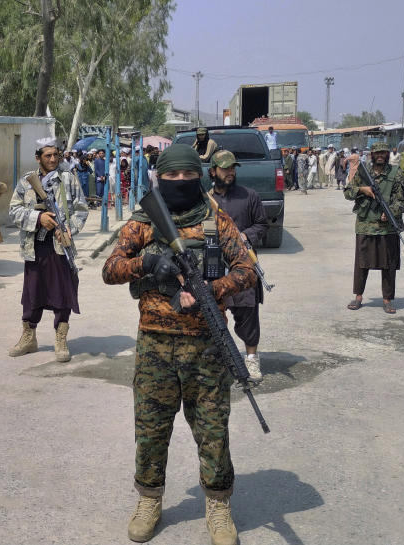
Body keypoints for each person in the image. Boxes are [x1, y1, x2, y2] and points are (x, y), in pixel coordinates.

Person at [102, 143, 256, 545]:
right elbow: (110, 268)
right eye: (172, 176)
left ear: (199, 176)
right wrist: (147, 264)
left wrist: (214, 288)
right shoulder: (143, 222)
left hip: (206, 347)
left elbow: (247, 269)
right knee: (151, 430)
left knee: (212, 431)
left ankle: (219, 506)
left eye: (188, 176)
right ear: (160, 178)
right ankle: (150, 499)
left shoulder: (216, 222)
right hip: (155, 345)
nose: (181, 182)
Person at [8, 137, 88, 363]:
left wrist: (70, 229)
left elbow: (81, 210)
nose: (53, 159)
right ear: (38, 158)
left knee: (63, 293)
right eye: (48, 156)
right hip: (34, 247)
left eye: (56, 155)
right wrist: (38, 217)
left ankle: (61, 339)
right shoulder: (26, 183)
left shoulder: (69, 180)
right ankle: (28, 337)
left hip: (60, 247)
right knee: (32, 294)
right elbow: (14, 211)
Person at [208, 150, 268, 382]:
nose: (230, 172)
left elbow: (262, 224)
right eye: (225, 168)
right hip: (215, 267)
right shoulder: (206, 200)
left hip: (242, 267)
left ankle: (251, 359)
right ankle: (219, 359)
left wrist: (246, 236)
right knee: (213, 314)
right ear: (213, 171)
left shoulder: (249, 196)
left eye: (233, 168)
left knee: (248, 314)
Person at [344, 143, 404, 314]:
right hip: (365, 226)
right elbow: (348, 193)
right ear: (372, 155)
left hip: (388, 228)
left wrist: (391, 213)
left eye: (383, 153)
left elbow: (403, 201)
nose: (380, 155)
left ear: (388, 154)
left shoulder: (396, 174)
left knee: (389, 264)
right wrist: (362, 189)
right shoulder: (363, 173)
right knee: (361, 263)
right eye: (377, 153)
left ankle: (387, 299)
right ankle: (358, 296)